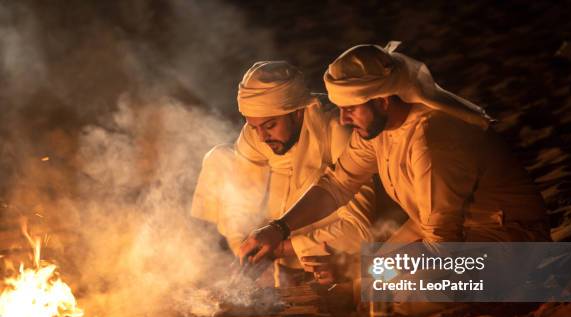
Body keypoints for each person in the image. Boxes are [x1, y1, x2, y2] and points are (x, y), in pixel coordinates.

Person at [239, 44, 550, 264]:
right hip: (445, 233)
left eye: (351, 109)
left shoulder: (430, 140)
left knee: (387, 284)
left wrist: (373, 273)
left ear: (383, 101)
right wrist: (276, 229)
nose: (344, 119)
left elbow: (443, 244)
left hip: (507, 239)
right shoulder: (377, 130)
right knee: (369, 279)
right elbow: (337, 185)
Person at [192, 61, 375, 286]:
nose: (261, 137)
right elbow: (240, 201)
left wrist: (283, 248)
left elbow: (362, 229)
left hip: (350, 253)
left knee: (392, 285)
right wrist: (247, 248)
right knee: (219, 158)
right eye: (254, 126)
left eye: (270, 126)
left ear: (297, 113)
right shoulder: (256, 134)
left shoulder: (336, 130)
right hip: (282, 243)